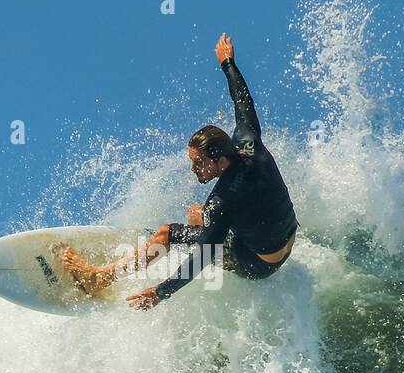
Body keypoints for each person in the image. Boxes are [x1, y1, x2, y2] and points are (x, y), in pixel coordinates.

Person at [63, 33, 299, 310]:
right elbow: (243, 103)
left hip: (257, 264)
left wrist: (162, 291)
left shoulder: (224, 199)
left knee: (168, 233)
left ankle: (99, 279)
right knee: (197, 214)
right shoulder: (248, 143)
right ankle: (185, 235)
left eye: (198, 162)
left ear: (218, 159)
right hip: (285, 241)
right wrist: (228, 64)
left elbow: (203, 255)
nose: (193, 169)